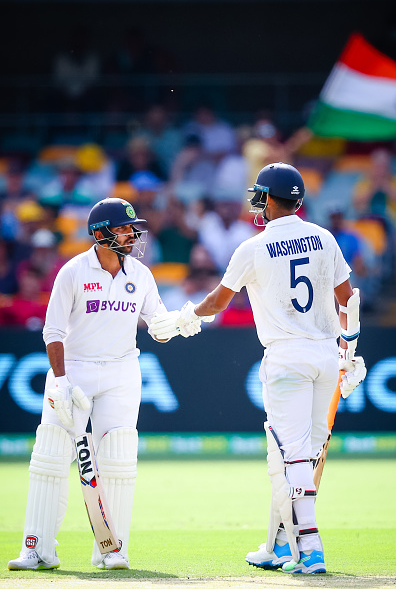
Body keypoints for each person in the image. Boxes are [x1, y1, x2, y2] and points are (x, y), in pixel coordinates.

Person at [150, 163, 367, 574]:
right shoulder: (323, 237)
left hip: (286, 356)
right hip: (325, 353)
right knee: (298, 454)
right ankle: (280, 546)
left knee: (292, 456)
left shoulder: (253, 247)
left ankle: (311, 548)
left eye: (259, 197)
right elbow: (347, 300)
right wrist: (350, 350)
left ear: (268, 199)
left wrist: (182, 321)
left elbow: (216, 302)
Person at [7, 197, 201, 572]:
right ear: (99, 234)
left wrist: (177, 324)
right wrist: (60, 382)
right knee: (51, 455)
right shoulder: (74, 271)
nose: (132, 234)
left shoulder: (141, 275)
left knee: (117, 457)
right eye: (124, 228)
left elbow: (157, 327)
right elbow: (53, 331)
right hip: (73, 372)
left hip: (122, 372)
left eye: (133, 228)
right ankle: (38, 549)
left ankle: (112, 549)